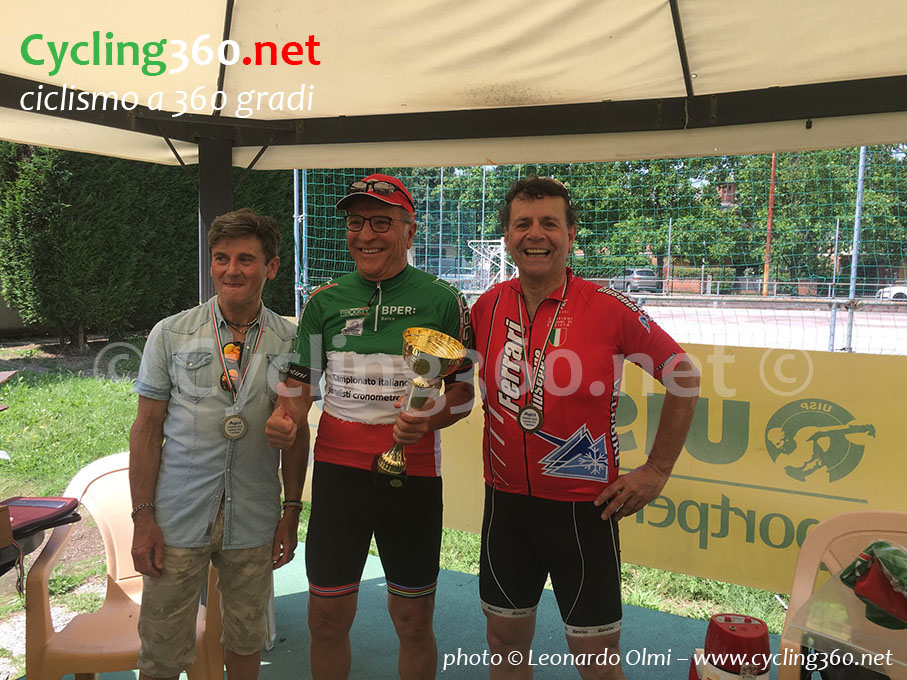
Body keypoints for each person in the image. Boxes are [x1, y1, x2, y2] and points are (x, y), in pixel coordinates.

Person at [471, 177, 700, 680]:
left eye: (549, 223)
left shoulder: (607, 306)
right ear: (507, 237)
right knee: (504, 644)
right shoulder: (486, 306)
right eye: (523, 224)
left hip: (583, 511)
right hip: (505, 507)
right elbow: (452, 382)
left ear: (571, 234)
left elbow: (684, 376)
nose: (536, 234)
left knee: (597, 661)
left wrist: (657, 470)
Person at [266, 174, 474, 680]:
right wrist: (284, 415)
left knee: (413, 620)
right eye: (356, 223)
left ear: (410, 230)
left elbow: (464, 394)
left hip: (413, 475)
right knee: (326, 620)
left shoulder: (444, 300)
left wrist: (427, 419)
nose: (365, 235)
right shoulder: (324, 301)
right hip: (339, 476)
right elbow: (300, 383)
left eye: (382, 222)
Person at [129, 208, 306, 680]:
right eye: (221, 258)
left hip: (254, 513)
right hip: (178, 516)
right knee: (162, 649)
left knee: (247, 638)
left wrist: (291, 511)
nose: (232, 270)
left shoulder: (293, 340)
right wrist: (142, 518)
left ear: (271, 267)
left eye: (246, 259)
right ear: (210, 263)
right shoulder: (171, 333)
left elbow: (298, 427)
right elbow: (146, 428)